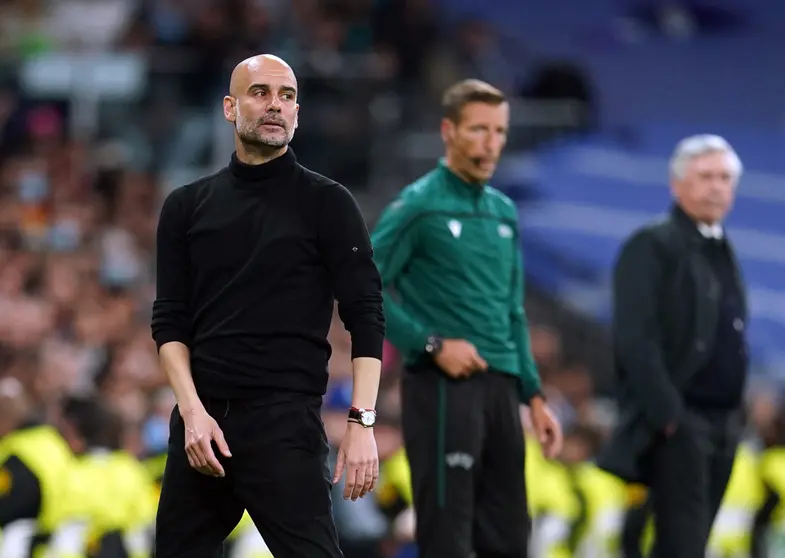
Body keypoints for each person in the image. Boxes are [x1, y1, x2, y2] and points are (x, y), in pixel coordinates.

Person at [151, 54, 385, 558]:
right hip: (201, 428)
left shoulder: (329, 203)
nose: (275, 105)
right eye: (260, 93)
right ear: (230, 108)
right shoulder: (186, 206)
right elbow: (169, 322)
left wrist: (361, 422)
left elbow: (366, 315)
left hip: (285, 425)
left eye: (287, 96)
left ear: (297, 112)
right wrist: (192, 413)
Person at [371, 79, 563, 558]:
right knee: (447, 537)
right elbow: (357, 287)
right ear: (448, 131)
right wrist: (431, 345)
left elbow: (513, 310)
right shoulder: (419, 204)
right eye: (479, 129)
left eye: (499, 131)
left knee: (509, 536)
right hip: (441, 387)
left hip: (502, 392)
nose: (491, 142)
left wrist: (534, 394)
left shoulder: (504, 212)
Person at [597, 134, 748, 558]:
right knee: (681, 547)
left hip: (722, 422)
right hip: (682, 421)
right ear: (677, 185)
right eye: (705, 177)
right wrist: (669, 415)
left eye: (724, 177)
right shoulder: (652, 244)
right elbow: (635, 337)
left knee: (689, 544)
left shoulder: (720, 246)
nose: (716, 186)